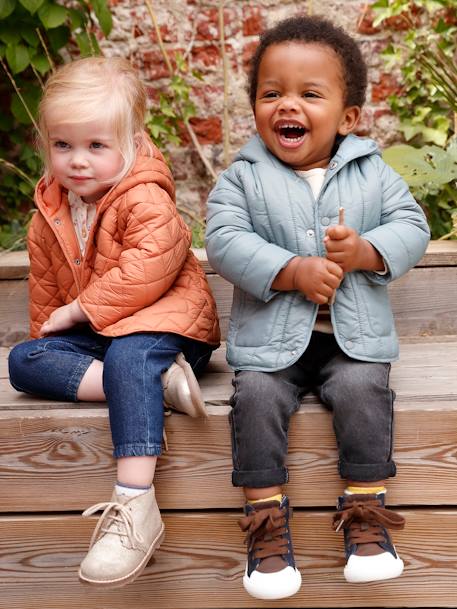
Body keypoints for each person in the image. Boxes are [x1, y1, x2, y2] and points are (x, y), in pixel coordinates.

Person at [206, 15, 430, 600]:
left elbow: (412, 227)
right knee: (254, 397)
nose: (288, 106)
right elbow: (225, 240)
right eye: (272, 93)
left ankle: (366, 518)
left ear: (348, 116)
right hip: (271, 343)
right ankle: (266, 525)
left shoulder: (373, 173)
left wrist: (365, 251)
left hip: (351, 338)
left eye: (310, 94)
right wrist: (291, 270)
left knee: (363, 392)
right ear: (256, 106)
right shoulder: (243, 177)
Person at [8, 56, 220, 588]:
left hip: (166, 327)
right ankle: (158, 384)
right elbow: (46, 297)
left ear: (130, 142)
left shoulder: (144, 196)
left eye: (97, 146)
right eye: (64, 145)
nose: (78, 161)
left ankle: (135, 505)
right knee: (23, 360)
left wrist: (80, 311)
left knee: (129, 355)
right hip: (105, 338)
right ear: (48, 144)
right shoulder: (49, 212)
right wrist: (53, 342)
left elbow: (149, 268)